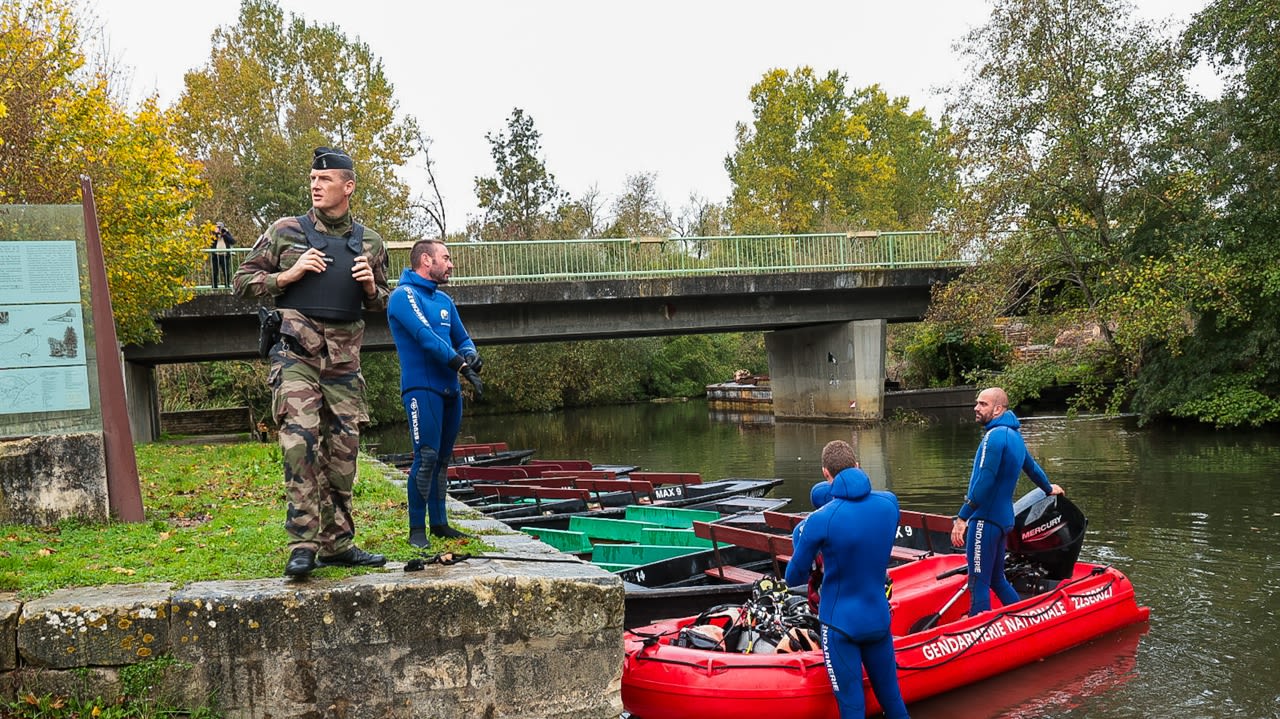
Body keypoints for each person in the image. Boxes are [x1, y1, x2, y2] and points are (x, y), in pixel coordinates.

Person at [233, 146, 390, 578]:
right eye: (312, 180)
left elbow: (384, 302)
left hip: (344, 364)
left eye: (325, 180)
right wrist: (287, 276)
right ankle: (302, 544)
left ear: (348, 186)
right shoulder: (285, 231)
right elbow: (241, 281)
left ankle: (337, 544)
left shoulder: (371, 242)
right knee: (299, 444)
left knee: (343, 455)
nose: (316, 186)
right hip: (295, 355)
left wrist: (372, 290)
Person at [785, 440, 910, 719]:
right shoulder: (889, 503)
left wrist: (805, 540)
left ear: (826, 474)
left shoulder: (820, 520)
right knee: (892, 700)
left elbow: (793, 576)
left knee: (852, 708)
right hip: (878, 617)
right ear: (857, 466)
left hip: (839, 624)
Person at [387, 239, 483, 547]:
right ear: (426, 260)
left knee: (442, 460)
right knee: (425, 458)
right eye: (446, 258)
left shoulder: (445, 301)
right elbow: (426, 338)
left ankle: (440, 524)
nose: (451, 264)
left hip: (449, 391)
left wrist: (472, 356)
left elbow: (462, 338)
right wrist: (461, 366)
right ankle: (417, 530)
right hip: (421, 389)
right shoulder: (403, 296)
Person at [950, 387, 1064, 615]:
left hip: (984, 519)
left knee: (977, 582)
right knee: (997, 579)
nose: (976, 408)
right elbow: (1032, 468)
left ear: (998, 408)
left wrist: (963, 517)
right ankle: (1024, 620)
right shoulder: (1014, 437)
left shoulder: (994, 437)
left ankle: (979, 632)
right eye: (977, 403)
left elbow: (984, 481)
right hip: (1002, 520)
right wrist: (1048, 488)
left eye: (983, 404)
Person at [209, 221, 236, 288]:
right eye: (217, 226)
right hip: (216, 255)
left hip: (224, 255)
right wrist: (215, 234)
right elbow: (210, 242)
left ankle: (227, 285)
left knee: (226, 271)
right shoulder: (213, 233)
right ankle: (214, 286)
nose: (219, 228)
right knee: (215, 271)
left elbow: (232, 241)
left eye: (220, 226)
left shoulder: (226, 233)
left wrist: (224, 234)